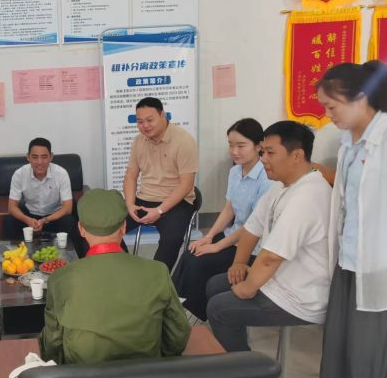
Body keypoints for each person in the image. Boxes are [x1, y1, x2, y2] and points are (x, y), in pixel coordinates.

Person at [307, 61, 387, 378]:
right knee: (341, 346)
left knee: (376, 359)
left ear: (361, 97)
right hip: (350, 261)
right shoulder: (350, 142)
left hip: (383, 266)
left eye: (332, 106)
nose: (327, 114)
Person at [205, 121, 332, 352]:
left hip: (299, 297)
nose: (263, 158)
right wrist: (239, 263)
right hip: (277, 279)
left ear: (297, 155)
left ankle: (247, 371)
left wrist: (248, 287)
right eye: (262, 152)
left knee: (220, 309)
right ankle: (237, 355)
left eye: (270, 153)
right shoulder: (280, 185)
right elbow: (251, 228)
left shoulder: (308, 195)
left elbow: (271, 257)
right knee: (216, 285)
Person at [39, 188, 191, 364]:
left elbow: (52, 344)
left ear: (81, 229)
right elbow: (178, 335)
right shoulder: (158, 272)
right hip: (145, 373)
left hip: (83, 376)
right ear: (124, 227)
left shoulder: (61, 278)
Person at [173, 118, 272, 321]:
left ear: (258, 146)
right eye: (231, 145)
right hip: (232, 237)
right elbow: (229, 209)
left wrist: (217, 247)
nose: (234, 151)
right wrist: (208, 237)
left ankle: (194, 317)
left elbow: (253, 226)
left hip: (253, 246)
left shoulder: (267, 178)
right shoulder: (235, 171)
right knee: (190, 253)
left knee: (199, 264)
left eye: (241, 146)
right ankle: (174, 308)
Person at [123, 97, 198, 270]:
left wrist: (159, 210)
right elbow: (131, 175)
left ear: (162, 115)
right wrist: (130, 205)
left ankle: (157, 280)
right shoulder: (139, 140)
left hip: (177, 201)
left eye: (150, 120)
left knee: (171, 240)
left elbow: (186, 184)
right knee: (107, 227)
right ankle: (125, 269)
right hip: (145, 198)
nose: (145, 126)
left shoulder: (184, 141)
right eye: (140, 121)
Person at [4, 137, 85, 256]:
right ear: (28, 157)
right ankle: (13, 257)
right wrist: (27, 220)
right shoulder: (19, 174)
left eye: (44, 157)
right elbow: (12, 207)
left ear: (51, 157)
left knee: (70, 221)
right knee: (9, 221)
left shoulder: (61, 174)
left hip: (54, 217)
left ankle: (76, 259)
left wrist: (45, 220)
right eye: (35, 157)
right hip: (30, 216)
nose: (39, 162)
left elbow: (67, 208)